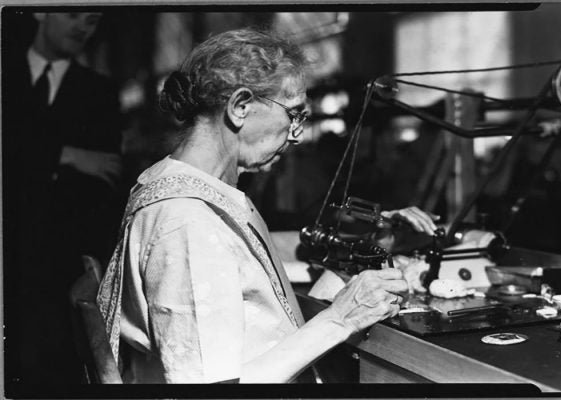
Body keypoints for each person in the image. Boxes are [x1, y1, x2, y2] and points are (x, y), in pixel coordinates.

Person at [96, 28, 437, 384]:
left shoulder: (193, 189)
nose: (297, 134)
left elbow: (273, 320)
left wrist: (366, 255)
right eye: (293, 114)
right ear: (240, 107)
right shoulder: (187, 222)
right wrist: (340, 319)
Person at [3, 12, 123, 384]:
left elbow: (105, 180)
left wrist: (94, 265)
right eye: (72, 15)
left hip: (59, 271)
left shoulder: (99, 93)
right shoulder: (5, 77)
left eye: (92, 20)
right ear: (40, 11)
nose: (82, 28)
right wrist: (64, 155)